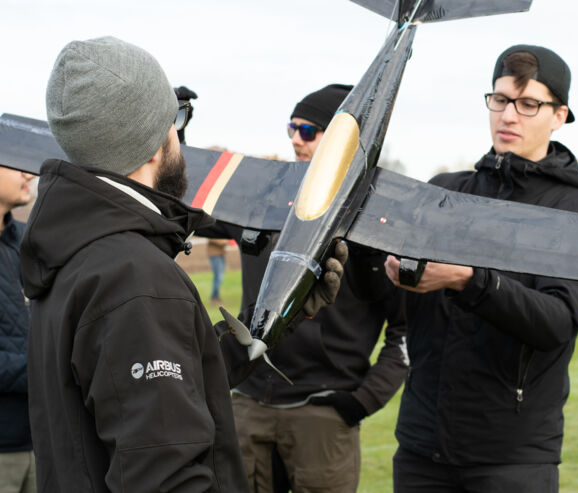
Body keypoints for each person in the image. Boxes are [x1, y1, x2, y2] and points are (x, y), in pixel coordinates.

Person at [20, 36, 343, 492]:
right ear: (152, 141)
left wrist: (274, 317)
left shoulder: (71, 251)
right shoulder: (133, 276)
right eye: (175, 119)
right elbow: (165, 476)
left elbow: (170, 384)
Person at [384, 44, 578, 492]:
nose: (509, 115)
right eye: (501, 99)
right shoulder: (443, 194)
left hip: (512, 459)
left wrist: (471, 279)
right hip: (421, 449)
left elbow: (556, 323)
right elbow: (395, 309)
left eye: (528, 104)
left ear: (559, 115)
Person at [229, 84, 408, 493]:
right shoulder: (266, 205)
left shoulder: (374, 227)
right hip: (248, 403)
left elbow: (406, 330)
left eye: (309, 130)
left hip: (323, 415)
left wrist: (360, 402)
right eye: (291, 127)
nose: (295, 138)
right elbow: (191, 213)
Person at [0, 166, 36, 493]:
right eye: (13, 163)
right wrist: (44, 368)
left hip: (40, 441)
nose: (29, 174)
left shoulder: (26, 242)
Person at [207, 238, 229, 304]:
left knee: (220, 277)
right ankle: (214, 298)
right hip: (215, 255)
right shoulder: (211, 230)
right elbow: (212, 239)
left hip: (221, 254)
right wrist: (225, 241)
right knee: (218, 277)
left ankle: (216, 297)